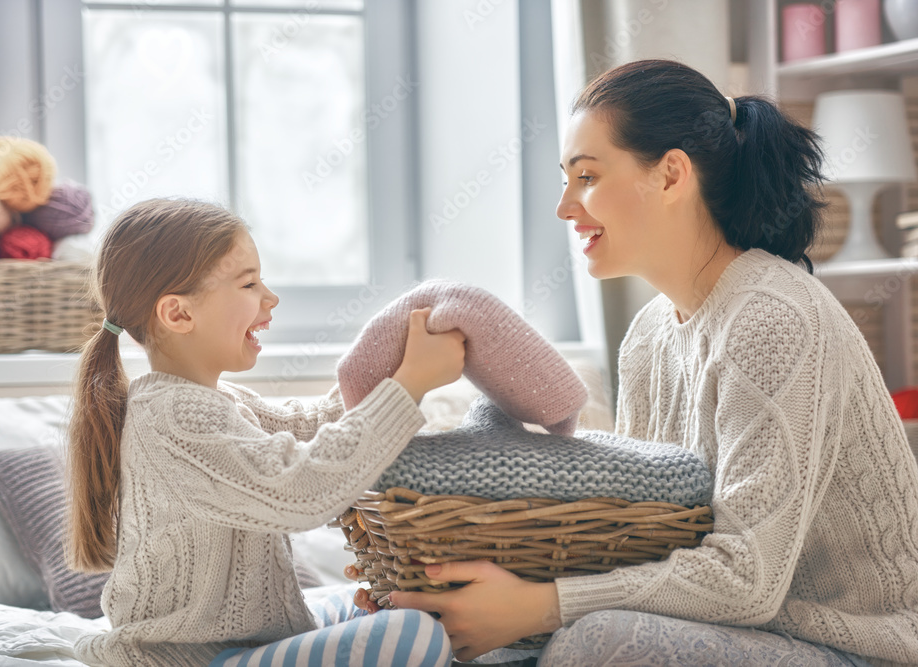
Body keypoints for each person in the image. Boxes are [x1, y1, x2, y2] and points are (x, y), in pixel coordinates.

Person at [389, 59, 918, 666]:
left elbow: (748, 578)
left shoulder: (774, 316)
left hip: (856, 645)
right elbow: (640, 537)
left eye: (586, 177)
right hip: (742, 630)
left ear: (671, 175)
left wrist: (540, 605)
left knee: (597, 641)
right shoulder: (646, 336)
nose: (565, 207)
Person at [65, 198, 465, 667]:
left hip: (246, 640)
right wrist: (409, 383)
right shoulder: (174, 416)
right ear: (178, 315)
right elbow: (303, 488)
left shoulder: (215, 401)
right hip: (186, 657)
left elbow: (311, 424)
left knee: (378, 604)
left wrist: (394, 360)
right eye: (250, 283)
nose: (270, 298)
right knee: (418, 632)